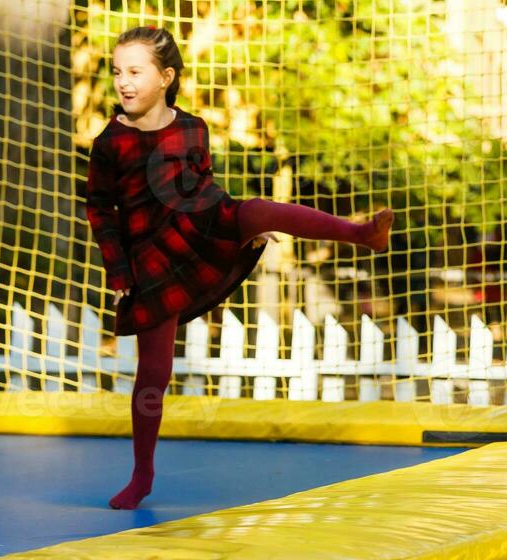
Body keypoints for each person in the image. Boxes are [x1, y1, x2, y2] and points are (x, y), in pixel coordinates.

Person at [83, 26, 392, 509]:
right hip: (152, 256)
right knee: (154, 372)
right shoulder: (111, 143)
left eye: (135, 72)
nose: (124, 81)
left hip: (203, 228)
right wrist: (118, 270)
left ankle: (360, 233)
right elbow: (101, 211)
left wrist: (239, 231)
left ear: (166, 76)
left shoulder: (194, 128)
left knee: (260, 209)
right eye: (118, 71)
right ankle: (142, 475)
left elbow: (203, 188)